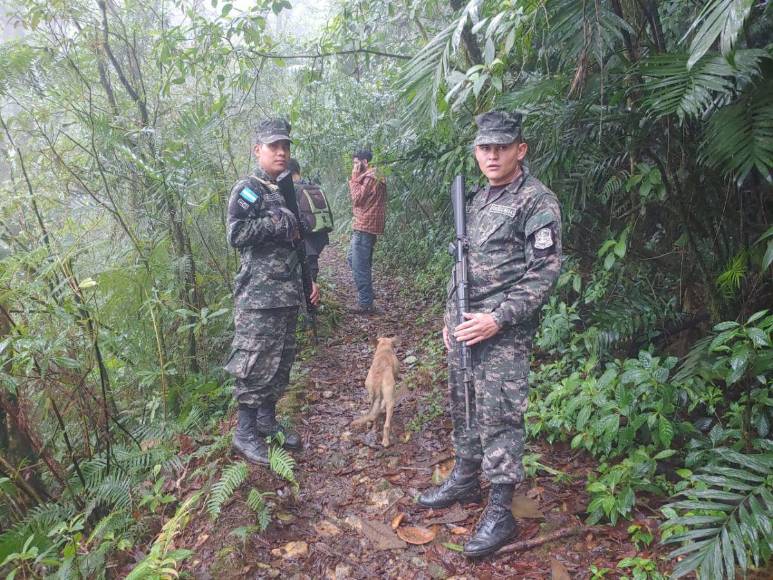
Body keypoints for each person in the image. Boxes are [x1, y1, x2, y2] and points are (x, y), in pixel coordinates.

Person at [417, 110, 562, 558]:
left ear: (521, 149)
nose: (492, 154)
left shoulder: (537, 201)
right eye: (484, 147)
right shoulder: (477, 200)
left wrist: (497, 318)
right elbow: (461, 266)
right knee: (463, 404)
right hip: (464, 324)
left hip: (502, 332)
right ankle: (464, 476)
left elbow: (545, 273)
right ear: (476, 152)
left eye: (501, 146)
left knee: (499, 415)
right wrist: (448, 317)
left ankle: (501, 509)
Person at [224, 118, 320, 465]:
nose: (281, 152)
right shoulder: (248, 189)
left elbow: (298, 245)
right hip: (259, 297)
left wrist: (310, 281)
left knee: (280, 362)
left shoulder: (284, 189)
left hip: (287, 293)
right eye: (273, 146)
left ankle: (266, 420)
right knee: (255, 362)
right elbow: (235, 234)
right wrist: (276, 223)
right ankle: (245, 431)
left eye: (285, 146)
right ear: (258, 150)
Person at [348, 148, 387, 314]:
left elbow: (357, 199)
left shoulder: (370, 177)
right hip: (366, 226)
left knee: (359, 265)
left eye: (357, 163)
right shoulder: (374, 175)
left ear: (365, 162)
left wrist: (354, 179)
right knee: (353, 259)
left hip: (365, 227)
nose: (355, 166)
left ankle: (365, 303)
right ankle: (368, 295)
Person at [289, 158, 332, 282]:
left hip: (306, 237)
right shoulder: (313, 186)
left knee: (307, 272)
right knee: (311, 266)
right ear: (298, 170)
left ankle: (310, 296)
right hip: (321, 234)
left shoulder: (292, 190)